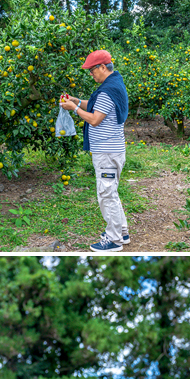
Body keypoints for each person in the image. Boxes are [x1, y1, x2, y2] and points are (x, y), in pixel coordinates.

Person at [59, 49, 130, 253]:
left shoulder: (108, 90)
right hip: (111, 149)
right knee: (111, 192)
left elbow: (95, 119)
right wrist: (77, 101)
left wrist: (74, 110)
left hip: (107, 152)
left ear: (102, 67)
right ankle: (122, 231)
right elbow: (97, 107)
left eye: (92, 70)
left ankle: (114, 239)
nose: (91, 74)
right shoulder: (113, 85)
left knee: (106, 194)